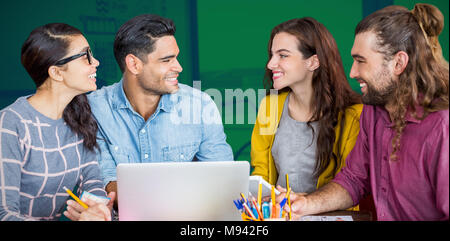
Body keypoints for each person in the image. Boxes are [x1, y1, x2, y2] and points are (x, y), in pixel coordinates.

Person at [281, 4, 449, 221]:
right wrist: (305, 204)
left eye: (361, 61)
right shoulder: (373, 111)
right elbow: (353, 179)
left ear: (398, 63)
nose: (352, 72)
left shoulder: (442, 127)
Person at [82, 14, 233, 208]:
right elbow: (105, 182)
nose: (179, 67)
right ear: (134, 64)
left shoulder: (200, 105)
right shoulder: (95, 108)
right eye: (166, 60)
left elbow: (223, 178)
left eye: (176, 58)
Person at [0, 23, 114, 221]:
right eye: (86, 56)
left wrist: (97, 209)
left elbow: (93, 179)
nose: (95, 62)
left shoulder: (79, 117)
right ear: (56, 73)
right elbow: (4, 213)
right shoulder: (10, 124)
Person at [251, 17, 362, 197]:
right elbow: (261, 171)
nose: (271, 64)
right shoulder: (269, 106)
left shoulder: (353, 115)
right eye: (272, 55)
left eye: (283, 55)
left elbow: (351, 185)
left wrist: (306, 202)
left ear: (313, 62)